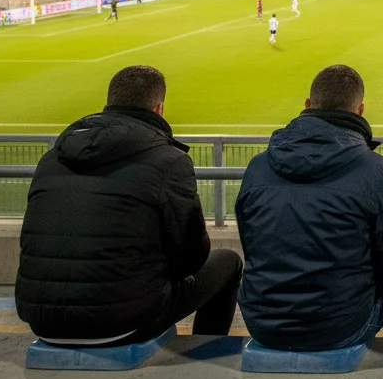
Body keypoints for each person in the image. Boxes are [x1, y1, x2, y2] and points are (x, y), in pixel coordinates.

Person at [16, 66, 242, 345]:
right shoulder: (168, 160)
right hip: (121, 323)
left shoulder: (51, 158)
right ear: (158, 109)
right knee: (229, 263)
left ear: (108, 103)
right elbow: (192, 257)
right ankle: (203, 351)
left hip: (41, 321)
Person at [237, 65, 383, 350]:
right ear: (360, 110)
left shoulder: (257, 165)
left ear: (307, 105)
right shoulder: (376, 171)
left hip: (262, 324)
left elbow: (251, 245)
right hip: (340, 326)